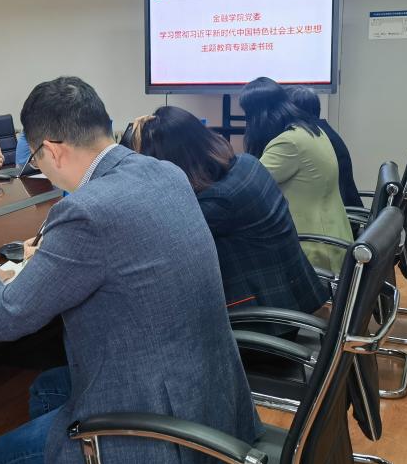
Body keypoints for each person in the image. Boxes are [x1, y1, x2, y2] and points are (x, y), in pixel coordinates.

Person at [0, 77, 261, 464]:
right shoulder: (165, 173)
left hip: (155, 432)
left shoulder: (86, 211)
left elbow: (6, 317)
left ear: (52, 150)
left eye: (36, 158)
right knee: (47, 388)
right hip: (211, 400)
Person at [124, 106, 329, 314]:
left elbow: (158, 243)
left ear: (173, 162)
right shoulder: (246, 163)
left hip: (260, 317)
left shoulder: (217, 201)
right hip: (294, 295)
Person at [239, 76, 353, 272]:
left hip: (310, 249)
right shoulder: (310, 131)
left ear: (258, 115)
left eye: (248, 116)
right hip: (331, 237)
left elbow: (248, 187)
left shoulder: (288, 143)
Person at [289, 86, 363, 209]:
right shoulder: (322, 131)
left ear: (293, 111)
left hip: (333, 213)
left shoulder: (307, 137)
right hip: (340, 208)